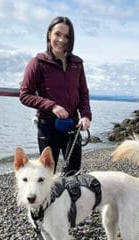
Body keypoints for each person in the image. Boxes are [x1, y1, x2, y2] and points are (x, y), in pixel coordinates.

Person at [19, 16, 92, 175]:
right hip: (48, 127)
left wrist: (85, 116)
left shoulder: (77, 64)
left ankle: (71, 201)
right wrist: (52, 106)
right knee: (46, 175)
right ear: (49, 35)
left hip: (72, 126)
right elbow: (25, 95)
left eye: (66, 36)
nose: (61, 40)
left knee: (74, 174)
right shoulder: (37, 62)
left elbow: (83, 94)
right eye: (57, 34)